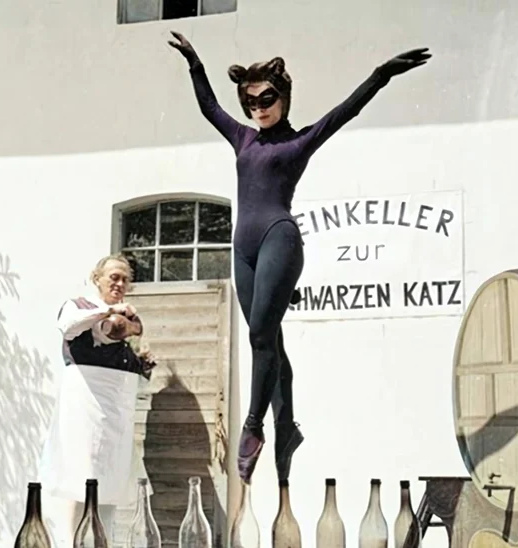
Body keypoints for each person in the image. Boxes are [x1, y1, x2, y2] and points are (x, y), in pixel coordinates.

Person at [168, 32, 431, 484]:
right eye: (251, 102)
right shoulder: (243, 139)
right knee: (270, 341)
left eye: (267, 99)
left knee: (259, 336)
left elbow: (345, 112)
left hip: (279, 238)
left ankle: (254, 426)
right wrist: (194, 62)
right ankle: (286, 427)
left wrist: (381, 75)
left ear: (284, 97)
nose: (259, 109)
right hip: (243, 246)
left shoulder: (299, 143)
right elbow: (210, 108)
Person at [37, 254, 156, 548]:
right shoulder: (77, 306)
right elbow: (71, 327)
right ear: (97, 277)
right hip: (83, 399)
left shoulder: (127, 313)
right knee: (77, 475)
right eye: (113, 277)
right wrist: (107, 312)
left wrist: (139, 356)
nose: (119, 283)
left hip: (116, 404)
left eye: (125, 279)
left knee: (112, 477)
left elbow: (127, 332)